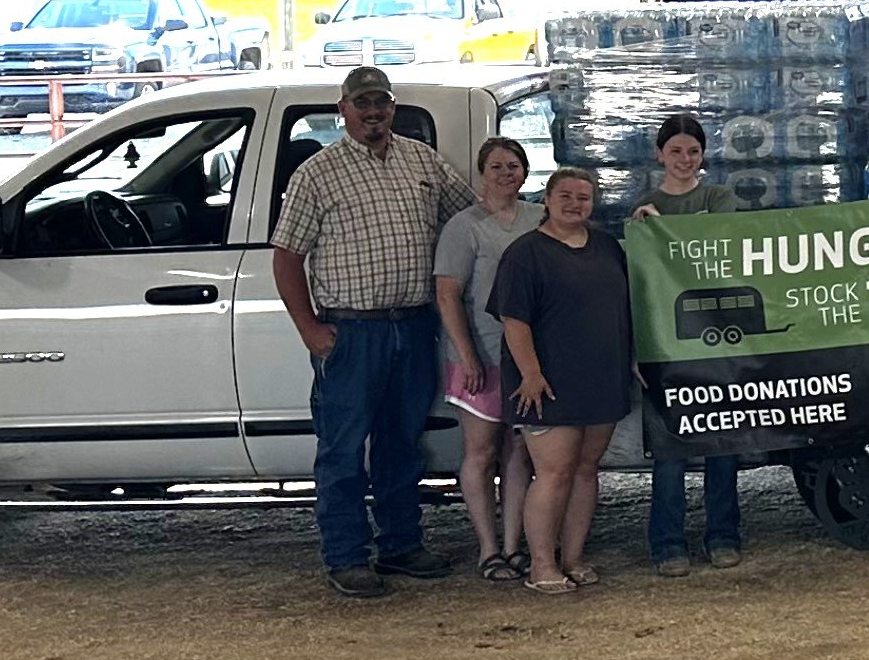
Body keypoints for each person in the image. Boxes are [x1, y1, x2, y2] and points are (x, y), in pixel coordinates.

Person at [271, 63, 473, 599]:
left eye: (381, 102)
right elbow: (287, 257)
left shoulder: (422, 161)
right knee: (342, 449)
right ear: (343, 111)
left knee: (401, 444)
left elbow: (470, 219)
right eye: (362, 104)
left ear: (392, 107)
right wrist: (309, 328)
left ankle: (401, 545)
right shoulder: (318, 173)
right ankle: (346, 556)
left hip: (413, 325)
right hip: (350, 333)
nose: (373, 112)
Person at [493, 164, 635, 594]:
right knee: (552, 472)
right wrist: (531, 374)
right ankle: (541, 565)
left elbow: (624, 309)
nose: (575, 204)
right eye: (566, 196)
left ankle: (572, 557)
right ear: (547, 200)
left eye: (583, 197)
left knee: (586, 470)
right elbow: (513, 320)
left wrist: (630, 360)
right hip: (547, 382)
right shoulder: (524, 253)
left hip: (601, 376)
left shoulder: (608, 247)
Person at [626, 111, 745, 575]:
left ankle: (723, 534)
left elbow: (719, 242)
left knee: (722, 445)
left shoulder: (719, 197)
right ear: (660, 154)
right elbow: (639, 285)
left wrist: (662, 232)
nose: (684, 159)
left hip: (717, 340)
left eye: (693, 151)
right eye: (675, 150)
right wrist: (639, 348)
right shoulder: (644, 206)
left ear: (703, 155)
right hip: (665, 345)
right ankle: (667, 542)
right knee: (670, 450)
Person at [431, 133, 538, 584]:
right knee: (480, 451)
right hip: (479, 355)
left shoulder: (539, 217)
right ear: (482, 173)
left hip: (525, 356)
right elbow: (447, 293)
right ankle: (487, 548)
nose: (506, 173)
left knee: (519, 451)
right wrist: (468, 355)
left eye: (513, 165)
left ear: (525, 171)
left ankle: (515, 544)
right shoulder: (464, 226)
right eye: (496, 166)